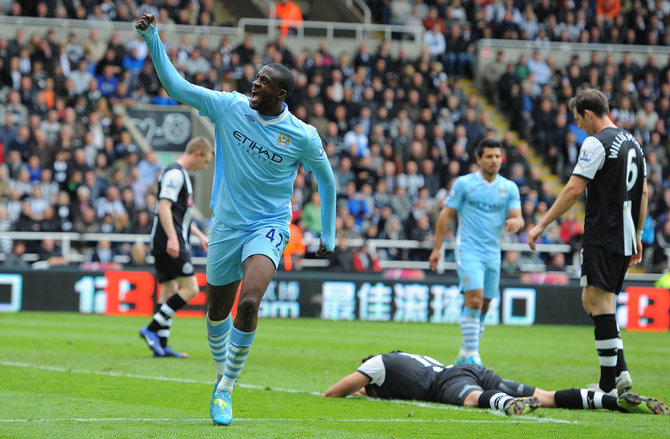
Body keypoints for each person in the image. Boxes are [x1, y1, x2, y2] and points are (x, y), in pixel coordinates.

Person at [135, 13, 336, 426]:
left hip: (269, 225)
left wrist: (329, 233)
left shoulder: (302, 135)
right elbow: (175, 86)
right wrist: (154, 37)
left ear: (281, 92)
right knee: (216, 314)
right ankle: (219, 375)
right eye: (255, 78)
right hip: (225, 226)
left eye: (263, 81)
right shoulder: (229, 107)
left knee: (249, 301)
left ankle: (226, 388)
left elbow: (328, 182)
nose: (254, 83)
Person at [527, 88, 648, 397]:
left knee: (598, 303)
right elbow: (643, 194)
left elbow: (572, 190)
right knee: (592, 301)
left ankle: (610, 382)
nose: (578, 125)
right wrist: (637, 234)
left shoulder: (596, 143)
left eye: (578, 118)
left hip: (603, 233)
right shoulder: (633, 143)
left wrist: (542, 223)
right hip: (623, 235)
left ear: (589, 113)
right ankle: (618, 373)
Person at [324, 350, 669, 416]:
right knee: (546, 396)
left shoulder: (375, 365)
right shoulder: (400, 356)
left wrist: (360, 392)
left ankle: (506, 405)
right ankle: (613, 402)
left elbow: (332, 392)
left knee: (474, 400)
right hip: (471, 369)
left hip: (450, 381)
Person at [429, 139, 523, 366]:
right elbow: (445, 215)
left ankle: (465, 352)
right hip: (468, 249)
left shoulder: (509, 187)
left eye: (498, 156)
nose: (494, 161)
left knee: (486, 304)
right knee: (474, 298)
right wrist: (437, 248)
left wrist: (516, 223)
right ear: (479, 159)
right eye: (489, 156)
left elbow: (518, 216)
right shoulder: (464, 184)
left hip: (493, 251)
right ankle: (472, 353)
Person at [138, 137, 213, 359]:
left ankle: (161, 345)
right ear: (197, 153)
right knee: (191, 289)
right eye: (206, 161)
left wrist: (198, 234)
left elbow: (182, 216)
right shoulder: (175, 174)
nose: (205, 166)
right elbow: (164, 206)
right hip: (168, 240)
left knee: (168, 291)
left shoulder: (182, 176)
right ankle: (151, 329)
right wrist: (172, 238)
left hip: (168, 238)